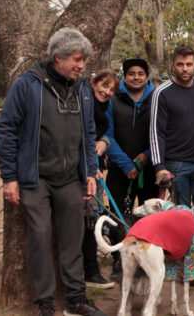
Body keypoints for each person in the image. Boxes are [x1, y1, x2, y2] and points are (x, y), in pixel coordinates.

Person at [0, 28, 106, 316]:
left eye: (84, 60)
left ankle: (75, 299)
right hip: (36, 178)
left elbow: (89, 131)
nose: (81, 66)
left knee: (73, 239)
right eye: (76, 59)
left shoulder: (83, 89)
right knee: (41, 237)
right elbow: (6, 129)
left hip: (71, 177)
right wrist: (9, 177)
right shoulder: (28, 85)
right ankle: (44, 303)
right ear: (57, 58)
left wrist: (91, 173)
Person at [150, 46, 194, 252]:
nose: (185, 69)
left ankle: (191, 259)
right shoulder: (162, 93)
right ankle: (184, 260)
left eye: (189, 64)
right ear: (173, 65)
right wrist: (160, 166)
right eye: (180, 64)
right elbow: (155, 132)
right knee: (182, 217)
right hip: (176, 165)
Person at [104, 57, 157, 278]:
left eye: (140, 73)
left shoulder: (156, 98)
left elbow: (160, 131)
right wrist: (126, 164)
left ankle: (145, 261)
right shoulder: (112, 99)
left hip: (149, 168)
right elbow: (106, 134)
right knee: (118, 215)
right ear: (124, 76)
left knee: (147, 217)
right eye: (131, 73)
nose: (136, 77)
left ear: (147, 76)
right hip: (119, 169)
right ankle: (119, 260)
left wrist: (145, 156)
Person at [82, 70, 118, 290]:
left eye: (112, 89)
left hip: (94, 171)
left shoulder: (105, 109)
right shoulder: (85, 104)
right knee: (86, 220)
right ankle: (88, 271)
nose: (107, 92)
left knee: (92, 219)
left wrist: (105, 142)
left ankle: (91, 269)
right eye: (104, 85)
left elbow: (107, 134)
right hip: (83, 171)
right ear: (93, 83)